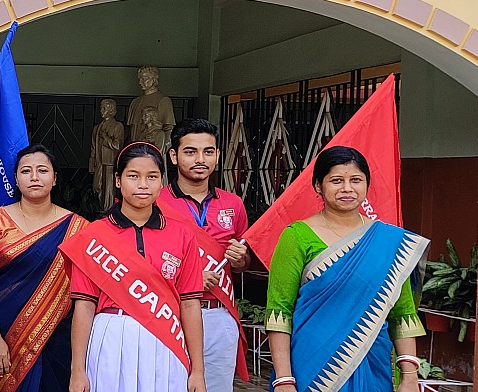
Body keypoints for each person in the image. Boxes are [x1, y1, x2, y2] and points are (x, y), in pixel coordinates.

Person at [266, 146, 426, 392]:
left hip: (372, 362)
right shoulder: (297, 237)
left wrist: (410, 376)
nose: (347, 188)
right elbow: (279, 312)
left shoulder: (388, 242)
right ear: (318, 186)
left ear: (367, 184)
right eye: (336, 181)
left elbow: (402, 313)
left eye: (356, 180)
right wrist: (284, 379)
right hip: (311, 367)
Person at [64, 142, 207, 392]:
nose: (143, 184)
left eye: (152, 177)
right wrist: (77, 370)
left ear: (162, 183)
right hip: (111, 338)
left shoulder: (182, 235)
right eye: (133, 176)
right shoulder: (95, 236)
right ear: (118, 180)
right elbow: (84, 306)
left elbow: (190, 304)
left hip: (166, 340)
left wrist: (198, 371)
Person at [0, 144, 85, 392]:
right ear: (15, 179)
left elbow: (84, 296)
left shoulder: (79, 229)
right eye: (26, 171)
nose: (34, 177)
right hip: (2, 338)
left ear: (55, 178)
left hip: (57, 341)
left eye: (42, 170)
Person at [156, 118, 250, 392]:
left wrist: (240, 259)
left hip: (218, 313)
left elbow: (243, 264)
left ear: (218, 155)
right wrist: (190, 278)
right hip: (169, 314)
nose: (200, 159)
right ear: (173, 156)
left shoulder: (233, 204)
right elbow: (141, 262)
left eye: (208, 151)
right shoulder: (155, 202)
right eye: (190, 151)